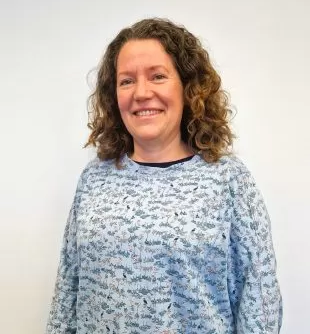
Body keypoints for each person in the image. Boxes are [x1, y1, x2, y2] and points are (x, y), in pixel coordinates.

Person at [46, 18, 282, 333]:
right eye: (126, 81)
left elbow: (259, 299)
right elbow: (68, 289)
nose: (141, 93)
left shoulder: (228, 180)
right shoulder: (94, 178)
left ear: (188, 88)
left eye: (157, 76)